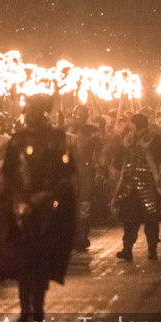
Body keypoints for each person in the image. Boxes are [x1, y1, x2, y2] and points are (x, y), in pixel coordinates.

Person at [0, 95, 76, 322]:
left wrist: (48, 196)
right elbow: (7, 175)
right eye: (26, 110)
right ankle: (24, 309)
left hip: (50, 209)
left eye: (32, 110)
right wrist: (4, 205)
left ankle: (37, 309)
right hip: (20, 207)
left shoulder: (59, 139)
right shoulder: (17, 140)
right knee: (22, 262)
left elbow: (68, 174)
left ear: (43, 113)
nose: (28, 114)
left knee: (41, 261)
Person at [112, 113, 161, 261]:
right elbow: (119, 161)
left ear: (134, 125)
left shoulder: (155, 140)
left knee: (149, 218)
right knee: (132, 219)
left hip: (148, 184)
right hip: (131, 185)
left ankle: (150, 249)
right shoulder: (129, 140)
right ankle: (129, 249)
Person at [68, 104, 103, 252]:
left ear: (87, 115)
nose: (80, 115)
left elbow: (99, 152)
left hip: (85, 171)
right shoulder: (65, 129)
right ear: (74, 113)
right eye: (78, 112)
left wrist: (101, 170)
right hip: (69, 172)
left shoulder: (93, 131)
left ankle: (82, 236)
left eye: (83, 113)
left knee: (84, 204)